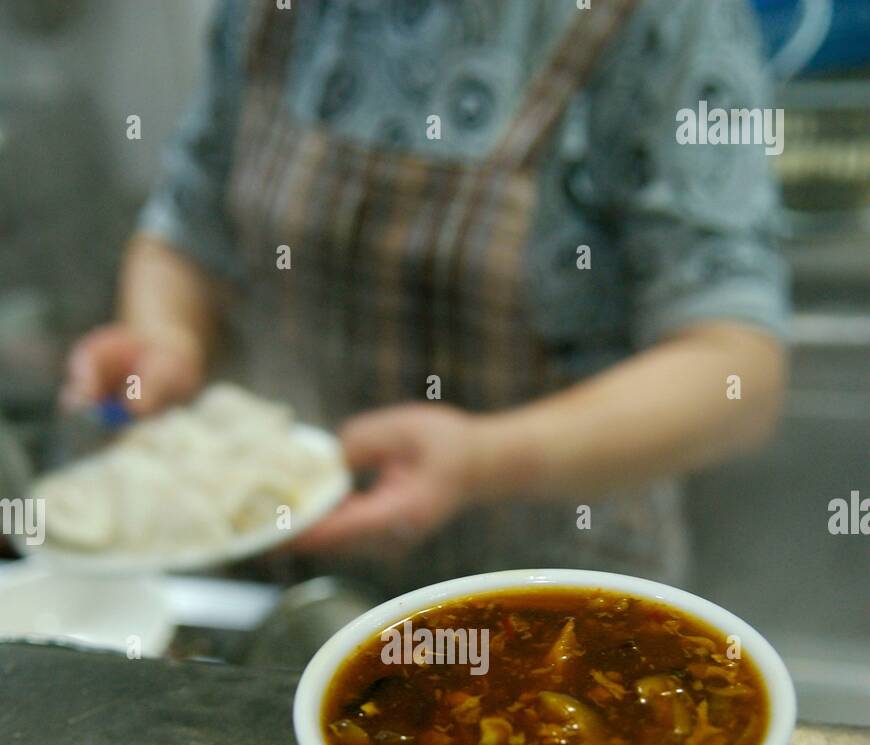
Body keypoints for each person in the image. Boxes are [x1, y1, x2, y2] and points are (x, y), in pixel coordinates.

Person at [62, 0, 788, 597]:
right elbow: (185, 232)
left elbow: (736, 368)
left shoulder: (665, 19)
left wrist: (485, 458)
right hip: (283, 592)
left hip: (551, 606)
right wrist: (167, 342)